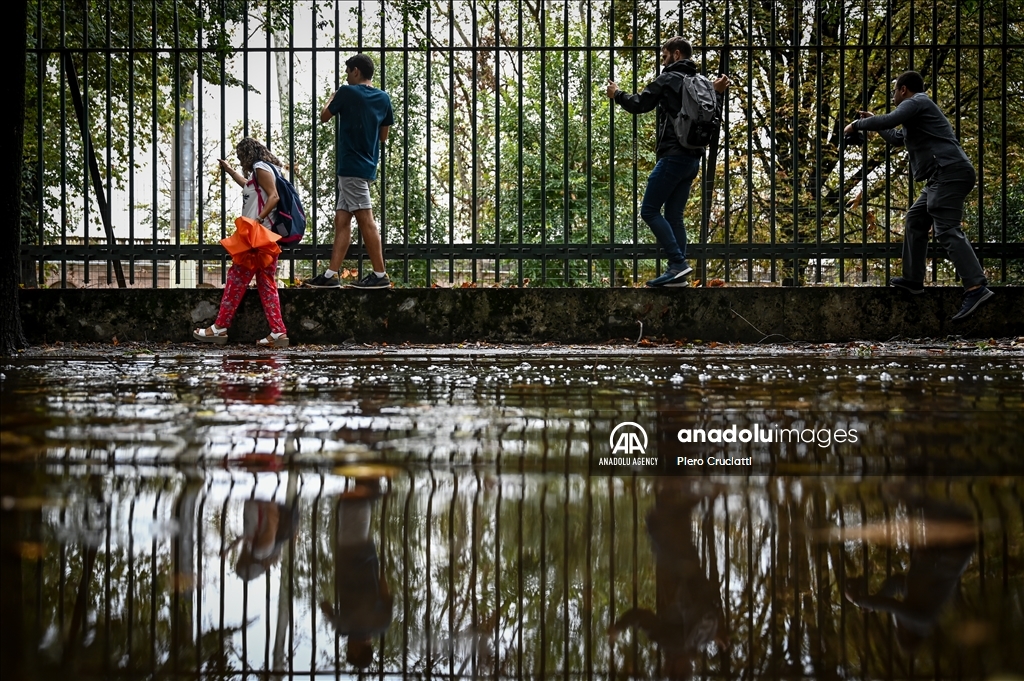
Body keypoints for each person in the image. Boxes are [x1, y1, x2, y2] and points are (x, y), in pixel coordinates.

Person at [844, 71, 994, 320]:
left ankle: (976, 287)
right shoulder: (916, 116)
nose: (894, 96)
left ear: (903, 89)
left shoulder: (918, 101)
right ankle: (913, 279)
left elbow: (889, 120)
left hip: (949, 172)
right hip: (941, 175)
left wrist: (856, 125)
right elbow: (895, 137)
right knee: (915, 220)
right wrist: (873, 122)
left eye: (894, 91)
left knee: (946, 229)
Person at [606, 36, 729, 287]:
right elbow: (714, 117)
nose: (663, 62)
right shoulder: (703, 83)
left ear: (675, 54)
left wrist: (616, 94)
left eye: (663, 56)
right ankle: (678, 277)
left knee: (649, 210)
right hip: (692, 159)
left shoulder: (668, 79)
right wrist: (718, 94)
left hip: (673, 156)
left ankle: (678, 263)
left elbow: (640, 104)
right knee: (674, 216)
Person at [308, 53, 395, 289]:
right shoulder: (383, 98)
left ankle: (380, 275)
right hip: (367, 165)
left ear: (356, 70)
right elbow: (383, 136)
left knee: (366, 220)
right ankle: (330, 275)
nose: (347, 76)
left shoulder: (346, 92)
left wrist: (332, 97)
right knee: (342, 219)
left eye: (348, 71)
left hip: (350, 166)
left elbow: (324, 116)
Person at [193, 137, 290, 347]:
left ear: (247, 153)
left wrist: (258, 219)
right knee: (266, 284)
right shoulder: (265, 170)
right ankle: (278, 332)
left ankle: (219, 328)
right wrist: (229, 171)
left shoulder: (260, 167)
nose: (239, 161)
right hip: (265, 238)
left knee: (236, 280)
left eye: (239, 157)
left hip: (257, 238)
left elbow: (273, 197)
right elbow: (249, 186)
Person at [320, 478, 393, 669]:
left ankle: (371, 480)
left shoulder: (382, 624)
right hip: (346, 554)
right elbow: (324, 605)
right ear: (356, 650)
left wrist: (377, 567)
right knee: (352, 503)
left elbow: (384, 588)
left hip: (368, 555)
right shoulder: (344, 628)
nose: (347, 647)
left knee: (361, 512)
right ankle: (368, 478)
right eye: (349, 651)